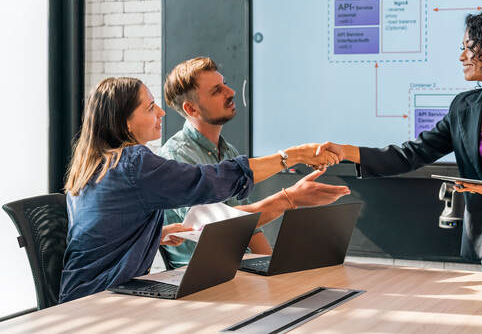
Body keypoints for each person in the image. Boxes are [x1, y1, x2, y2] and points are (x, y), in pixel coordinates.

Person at [320, 11, 482, 334]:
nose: (462, 56)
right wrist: (348, 152)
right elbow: (412, 153)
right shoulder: (464, 108)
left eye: (470, 48)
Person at [59, 77, 347, 303]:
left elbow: (99, 228)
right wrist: (292, 156)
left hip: (81, 295)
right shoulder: (134, 164)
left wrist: (155, 235)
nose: (160, 112)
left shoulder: (94, 166)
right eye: (149, 107)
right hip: (103, 300)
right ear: (125, 122)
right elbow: (210, 182)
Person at [159, 57, 350, 267]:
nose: (230, 92)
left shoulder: (228, 151)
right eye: (216, 91)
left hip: (238, 269)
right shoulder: (176, 156)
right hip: (203, 277)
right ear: (191, 109)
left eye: (225, 84)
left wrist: (272, 269)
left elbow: (248, 228)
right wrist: (289, 199)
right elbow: (210, 225)